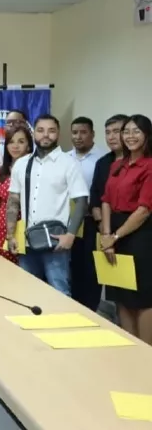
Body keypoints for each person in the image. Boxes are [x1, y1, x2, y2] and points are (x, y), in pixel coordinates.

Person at [6, 114, 88, 296]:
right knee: (26, 293)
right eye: (41, 130)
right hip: (27, 240)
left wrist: (70, 235)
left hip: (56, 242)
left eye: (51, 131)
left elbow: (82, 201)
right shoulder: (22, 163)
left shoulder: (69, 163)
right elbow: (13, 200)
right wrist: (10, 235)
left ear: (58, 134)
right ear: (34, 133)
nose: (45, 135)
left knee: (60, 292)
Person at [100, 114, 152, 344]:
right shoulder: (117, 165)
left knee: (142, 298)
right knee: (121, 295)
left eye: (136, 131)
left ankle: (146, 353)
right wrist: (107, 236)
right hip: (114, 234)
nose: (130, 136)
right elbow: (106, 201)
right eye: (126, 131)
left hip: (140, 236)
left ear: (147, 135)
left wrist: (115, 236)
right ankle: (132, 351)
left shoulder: (149, 165)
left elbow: (144, 210)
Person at [68, 116, 105, 310]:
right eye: (75, 132)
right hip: (69, 221)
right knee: (72, 267)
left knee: (92, 270)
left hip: (92, 220)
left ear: (92, 134)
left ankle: (91, 309)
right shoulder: (64, 158)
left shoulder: (102, 158)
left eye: (83, 132)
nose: (78, 137)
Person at [0, 125, 33, 263]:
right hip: (2, 227)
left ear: (29, 146)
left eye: (21, 142)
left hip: (28, 226)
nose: (15, 146)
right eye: (11, 142)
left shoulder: (35, 171)